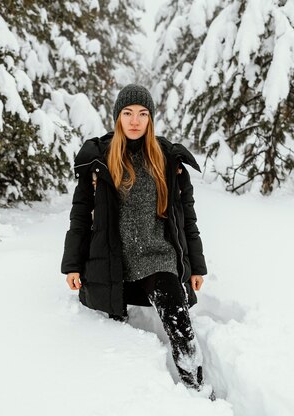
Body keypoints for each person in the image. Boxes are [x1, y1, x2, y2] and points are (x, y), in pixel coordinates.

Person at [61, 84, 213, 400]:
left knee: (180, 324)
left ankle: (197, 390)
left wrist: (196, 266)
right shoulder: (98, 160)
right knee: (111, 331)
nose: (134, 121)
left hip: (158, 259)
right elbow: (80, 217)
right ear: (118, 118)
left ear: (150, 119)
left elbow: (186, 219)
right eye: (128, 113)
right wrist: (72, 265)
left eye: (142, 114)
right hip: (114, 263)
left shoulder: (168, 160)